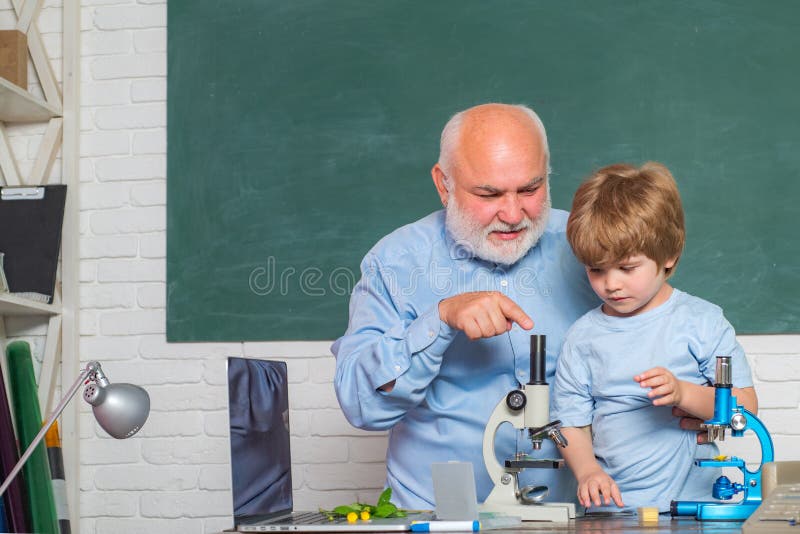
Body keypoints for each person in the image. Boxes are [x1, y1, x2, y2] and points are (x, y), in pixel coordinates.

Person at [331, 103, 599, 509]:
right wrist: (438, 320)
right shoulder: (395, 262)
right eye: (489, 194)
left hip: (577, 517)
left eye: (530, 189)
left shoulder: (590, 247)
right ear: (444, 184)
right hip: (441, 515)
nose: (512, 214)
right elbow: (360, 403)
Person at [551, 162, 758, 512]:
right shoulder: (582, 338)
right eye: (596, 270)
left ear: (669, 256)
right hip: (614, 511)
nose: (610, 284)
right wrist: (587, 472)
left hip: (696, 509)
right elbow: (570, 422)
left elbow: (746, 407)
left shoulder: (702, 322)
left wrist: (684, 393)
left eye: (627, 268)